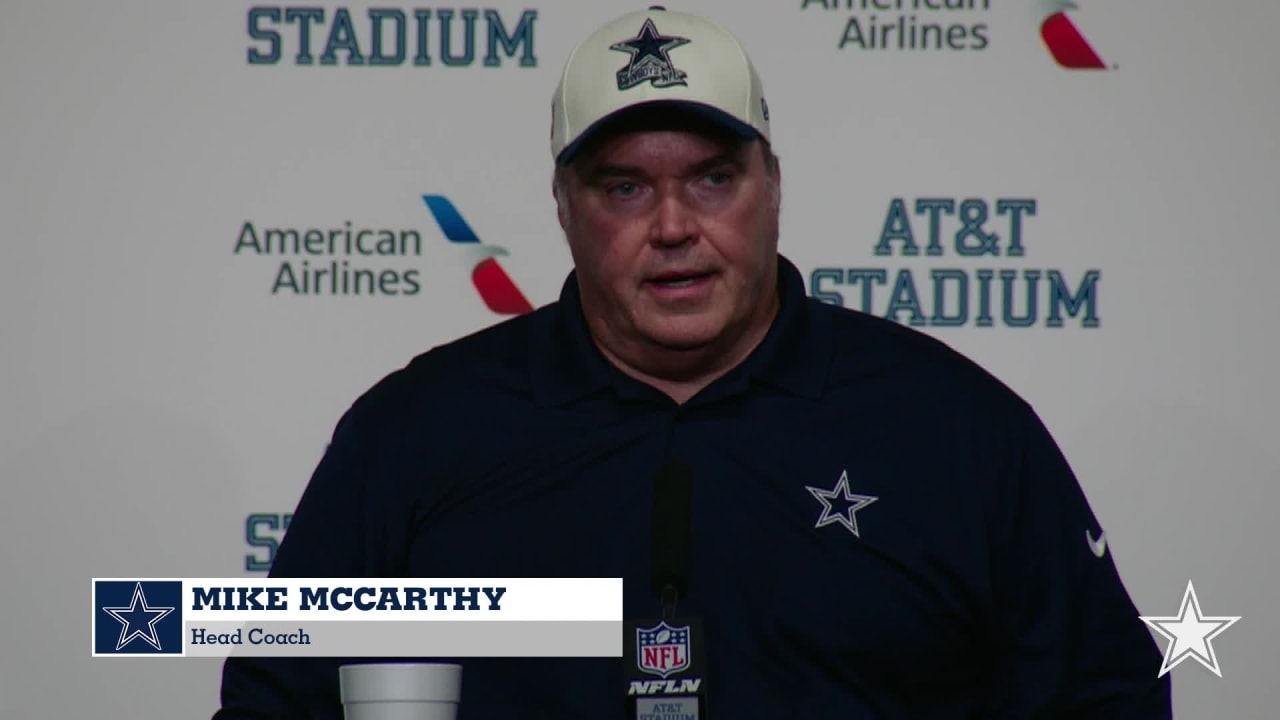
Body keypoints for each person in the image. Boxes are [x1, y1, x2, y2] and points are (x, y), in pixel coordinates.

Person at [215, 6, 1171, 718]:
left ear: (774, 184)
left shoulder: (956, 429)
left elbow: (1108, 701)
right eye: (625, 187)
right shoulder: (415, 434)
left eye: (714, 178)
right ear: (563, 207)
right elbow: (271, 703)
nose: (675, 227)